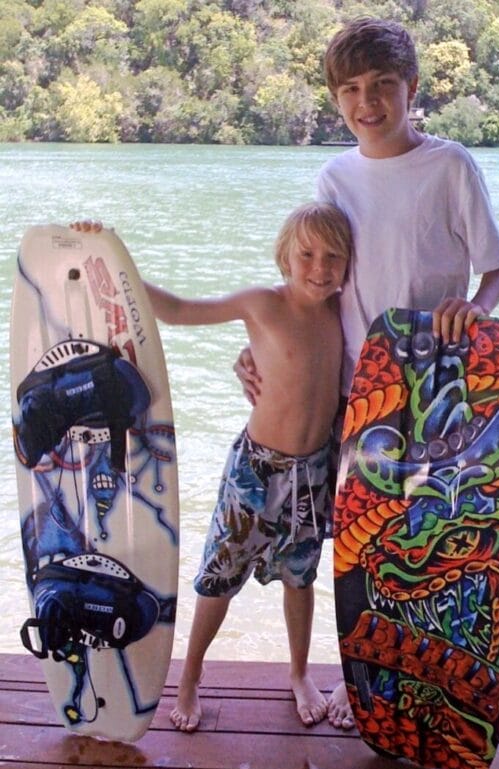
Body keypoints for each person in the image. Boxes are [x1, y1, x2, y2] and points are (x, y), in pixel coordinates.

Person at [234, 17, 499, 729]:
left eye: (383, 86)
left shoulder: (449, 166)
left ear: (411, 88)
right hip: (358, 396)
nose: (368, 102)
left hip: (440, 394)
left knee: (430, 548)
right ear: (337, 100)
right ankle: (368, 685)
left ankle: (437, 690)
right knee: (364, 551)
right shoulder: (333, 176)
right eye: (352, 89)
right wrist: (265, 347)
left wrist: (474, 307)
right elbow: (317, 281)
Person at [74, 202, 352, 732]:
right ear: (284, 257)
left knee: (300, 578)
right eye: (308, 254)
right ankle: (190, 678)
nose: (321, 267)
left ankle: (298, 674)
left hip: (311, 476)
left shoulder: (342, 314)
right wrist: (111, 257)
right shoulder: (262, 304)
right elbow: (179, 310)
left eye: (334, 257)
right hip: (255, 470)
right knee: (219, 580)